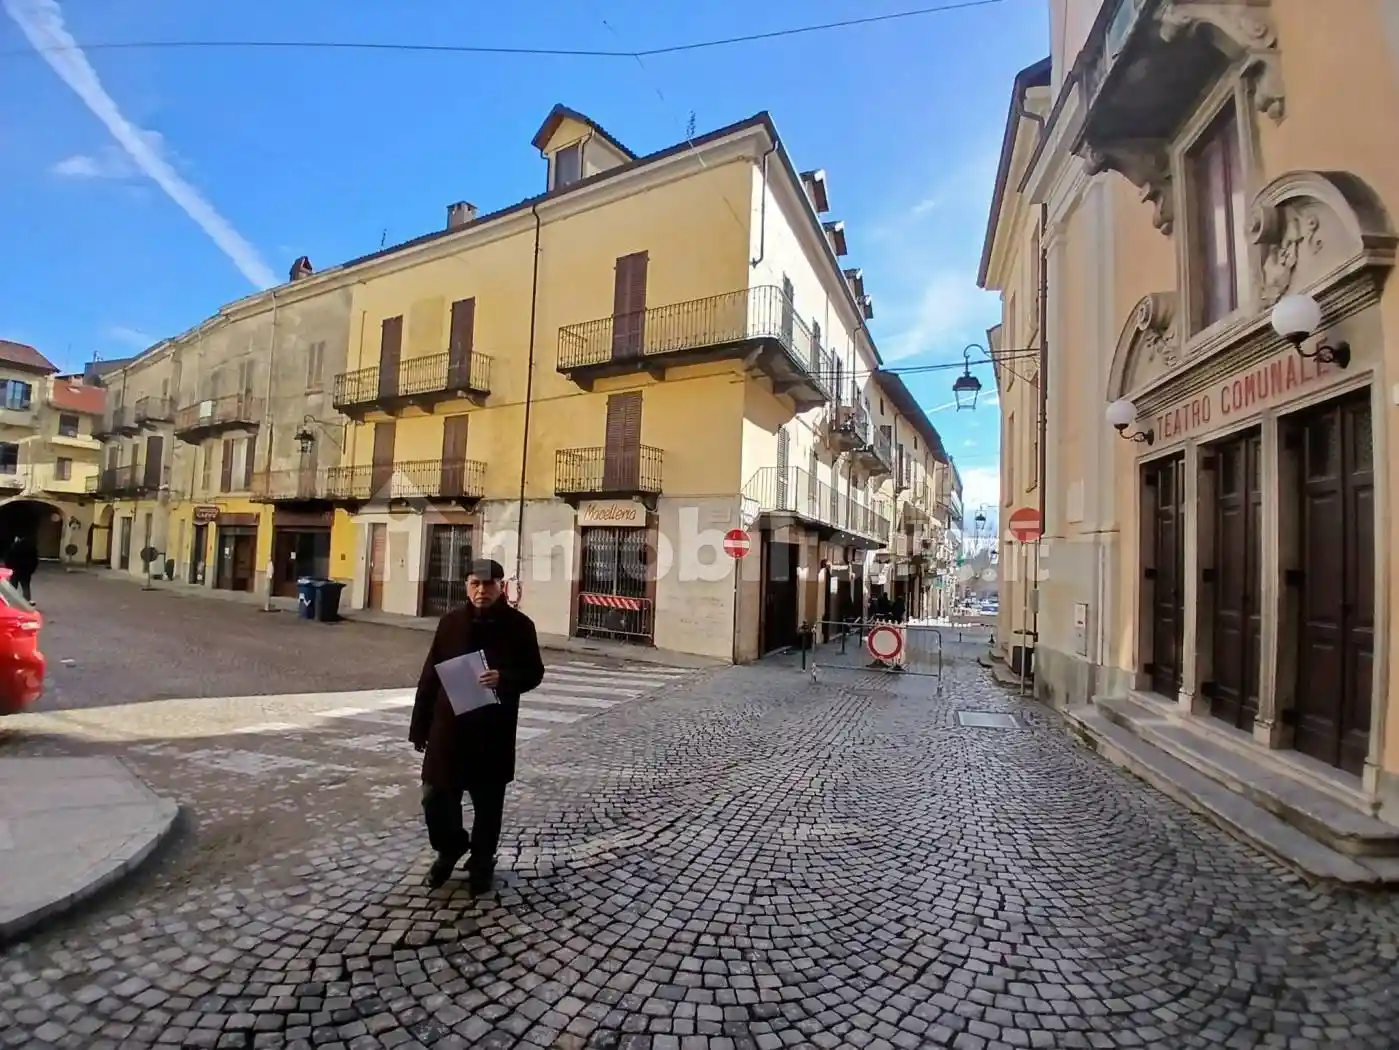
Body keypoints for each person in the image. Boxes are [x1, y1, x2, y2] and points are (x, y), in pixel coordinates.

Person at [409, 558, 544, 893]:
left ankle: (482, 862)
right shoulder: (450, 623)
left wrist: (504, 678)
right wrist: (419, 726)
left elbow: (534, 672)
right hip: (448, 728)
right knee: (434, 797)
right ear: (467, 586)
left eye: (489, 584)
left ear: (501, 587)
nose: (482, 590)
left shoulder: (520, 626)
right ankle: (450, 847)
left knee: (487, 804)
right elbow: (430, 676)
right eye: (475, 584)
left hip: (492, 729)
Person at [5, 533, 38, 604]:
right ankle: (27, 602)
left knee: (13, 587)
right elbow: (35, 560)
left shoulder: (15, 546)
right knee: (26, 586)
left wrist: (9, 567)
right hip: (26, 571)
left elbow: (9, 557)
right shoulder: (31, 547)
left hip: (15, 569)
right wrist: (31, 570)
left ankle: (10, 601)